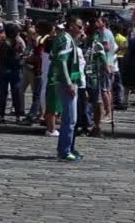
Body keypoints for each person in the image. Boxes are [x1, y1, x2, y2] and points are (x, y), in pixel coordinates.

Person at [53, 18, 85, 162]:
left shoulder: (69, 39)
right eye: (80, 26)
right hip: (67, 83)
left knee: (71, 118)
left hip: (72, 81)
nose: (82, 29)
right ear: (72, 26)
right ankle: (65, 151)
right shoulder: (65, 39)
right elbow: (62, 62)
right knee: (70, 119)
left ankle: (66, 148)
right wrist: (69, 83)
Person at [0, 23, 26, 124]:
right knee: (16, 94)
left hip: (4, 70)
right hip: (15, 70)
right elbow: (23, 54)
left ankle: (1, 116)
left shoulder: (2, 42)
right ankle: (17, 116)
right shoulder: (18, 42)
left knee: (3, 93)